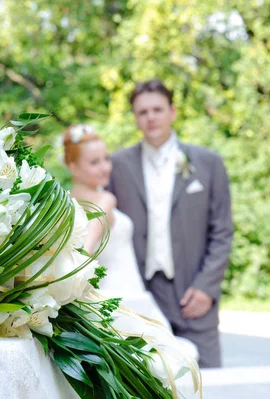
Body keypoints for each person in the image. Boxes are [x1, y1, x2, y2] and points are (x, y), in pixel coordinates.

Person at [107, 79, 234, 368]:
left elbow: (222, 231)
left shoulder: (208, 163)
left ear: (172, 112)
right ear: (135, 118)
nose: (150, 117)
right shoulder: (117, 165)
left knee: (206, 382)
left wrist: (206, 288)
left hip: (194, 295)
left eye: (157, 109)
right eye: (142, 112)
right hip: (139, 293)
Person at [62, 124, 199, 355]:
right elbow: (83, 252)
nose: (105, 167)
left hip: (106, 297)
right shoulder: (104, 200)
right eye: (94, 162)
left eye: (106, 159)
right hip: (123, 298)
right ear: (72, 166)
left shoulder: (64, 203)